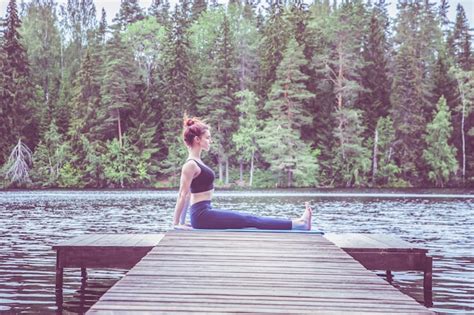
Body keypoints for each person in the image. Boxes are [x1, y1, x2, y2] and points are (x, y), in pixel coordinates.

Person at [173, 115, 312, 230]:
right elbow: (183, 195)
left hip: (203, 213)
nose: (211, 140)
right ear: (197, 139)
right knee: (250, 219)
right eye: (208, 137)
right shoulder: (190, 164)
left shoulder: (197, 162)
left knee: (249, 219)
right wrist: (177, 224)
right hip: (202, 215)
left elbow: (188, 195)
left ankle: (298, 223)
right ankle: (299, 224)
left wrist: (183, 222)